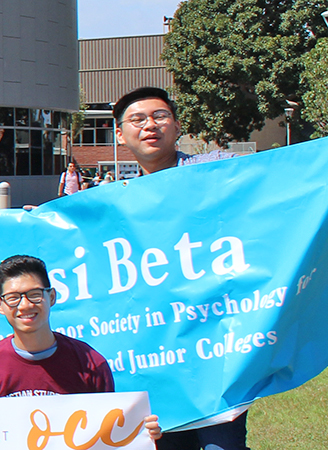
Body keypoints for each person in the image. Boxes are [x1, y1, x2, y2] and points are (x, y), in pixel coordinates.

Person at [111, 86, 244, 450]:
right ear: (120, 135)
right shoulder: (117, 201)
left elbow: (267, 178)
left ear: (177, 125)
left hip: (215, 346)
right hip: (159, 353)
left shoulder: (213, 170)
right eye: (137, 120)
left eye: (160, 116)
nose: (150, 126)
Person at [0, 255, 165, 439]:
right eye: (13, 297)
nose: (25, 305)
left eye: (34, 294)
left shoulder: (90, 364)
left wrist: (140, 434)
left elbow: (109, 435)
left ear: (51, 297)